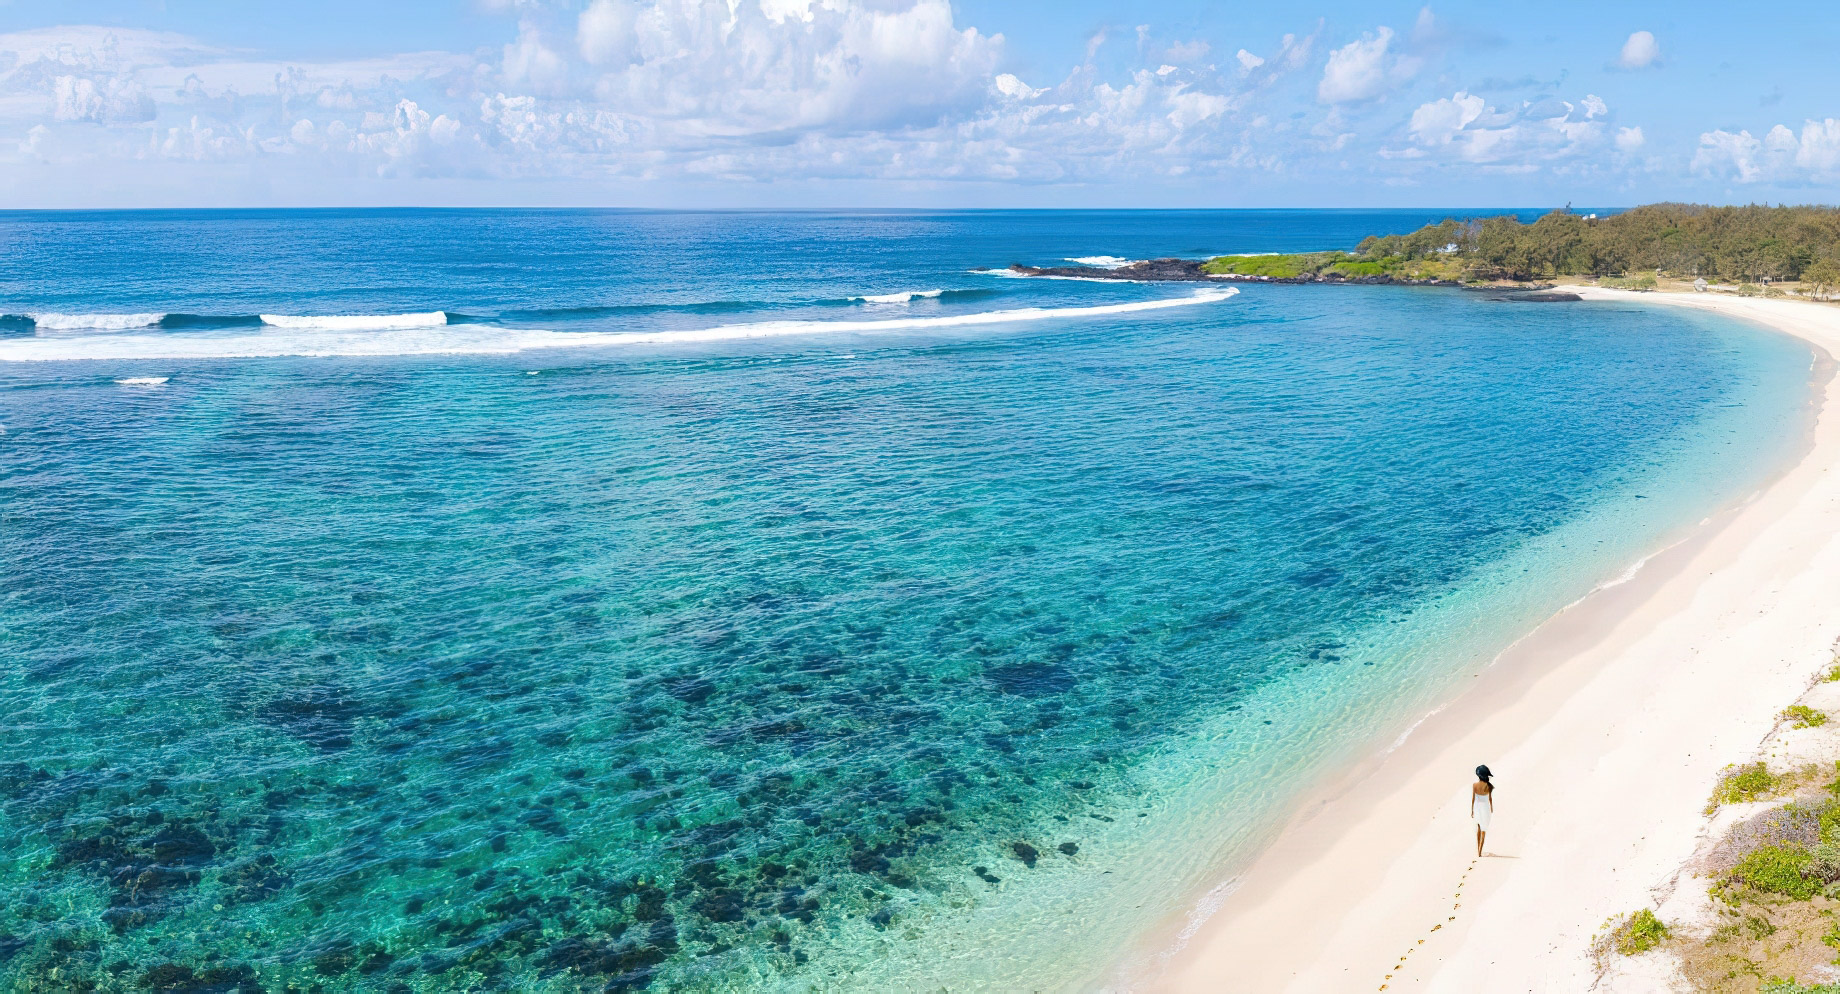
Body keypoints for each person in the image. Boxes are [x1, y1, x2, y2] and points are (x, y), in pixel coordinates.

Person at [1471, 765, 1494, 857]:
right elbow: (1490, 799)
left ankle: (1478, 851)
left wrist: (1472, 810)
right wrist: (1491, 808)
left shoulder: (1474, 785)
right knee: (1484, 829)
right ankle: (1480, 851)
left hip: (1477, 807)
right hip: (1485, 808)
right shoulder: (1489, 786)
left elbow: (1473, 799)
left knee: (1479, 828)